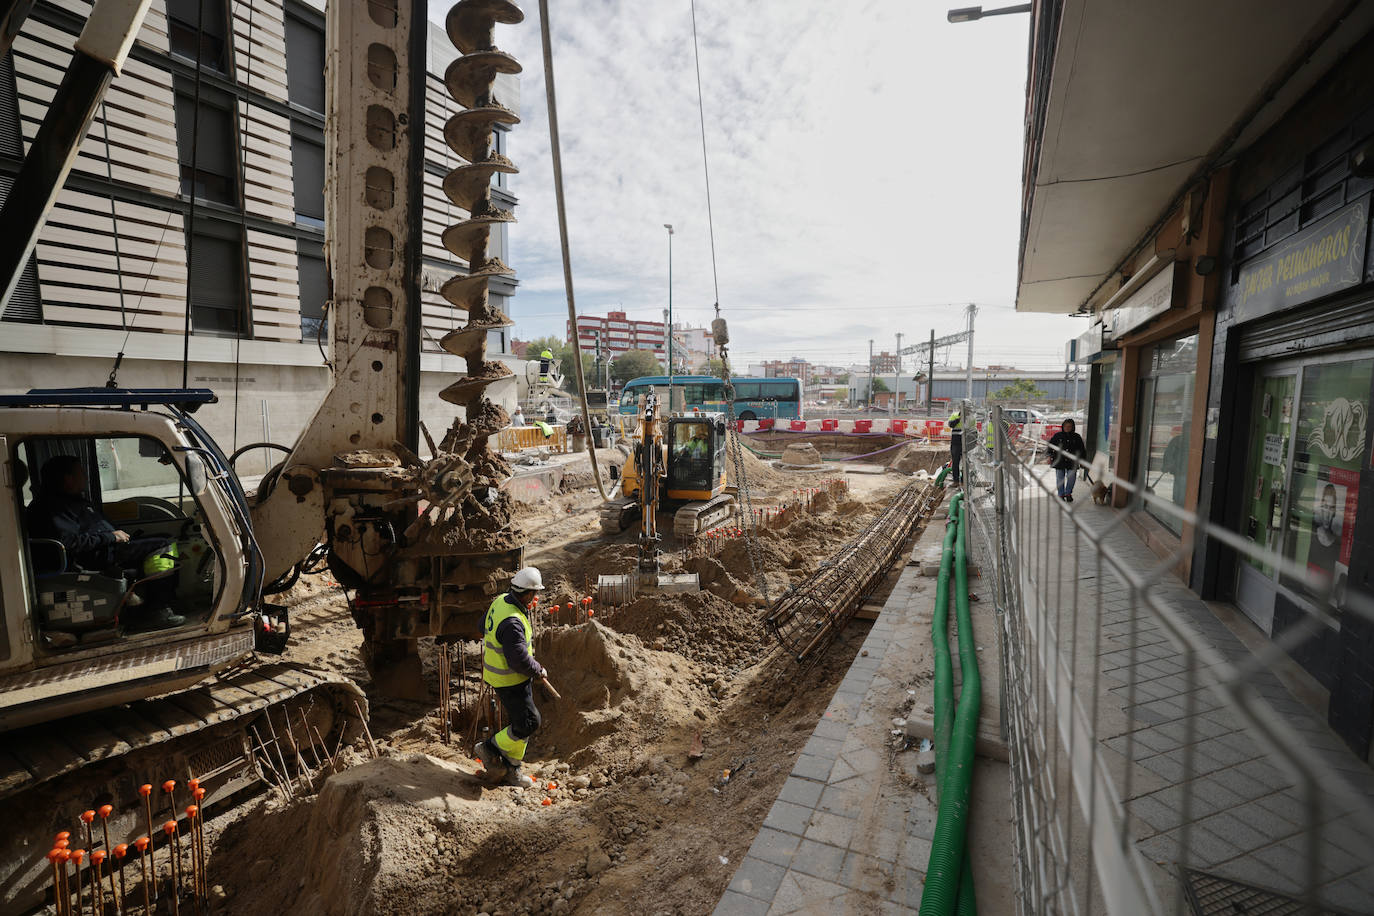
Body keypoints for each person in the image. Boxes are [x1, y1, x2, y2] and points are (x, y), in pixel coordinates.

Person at [26, 455, 185, 628]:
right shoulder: (52, 508)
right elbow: (69, 543)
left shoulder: (72, 500)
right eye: (81, 474)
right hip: (94, 556)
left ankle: (157, 604)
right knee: (163, 546)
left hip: (106, 548)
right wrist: (111, 537)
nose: (86, 478)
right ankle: (157, 610)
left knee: (165, 537)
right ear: (68, 479)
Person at [474, 566, 552, 786]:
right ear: (528, 594)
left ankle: (513, 770)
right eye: (535, 594)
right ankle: (489, 747)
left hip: (501, 675)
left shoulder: (501, 602)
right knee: (529, 722)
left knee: (521, 722)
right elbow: (517, 659)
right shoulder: (513, 622)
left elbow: (481, 625)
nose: (535, 598)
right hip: (510, 679)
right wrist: (538, 669)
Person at [1046, 418, 1087, 502]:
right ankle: (1061, 494)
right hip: (1059, 460)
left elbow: (1082, 450)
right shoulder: (1057, 436)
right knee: (1060, 478)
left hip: (1072, 461)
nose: (1067, 428)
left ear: (1073, 427)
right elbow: (1050, 446)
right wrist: (1049, 456)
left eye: (1069, 426)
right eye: (1065, 426)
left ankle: (1068, 493)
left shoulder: (1077, 437)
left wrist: (1082, 461)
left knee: (1071, 478)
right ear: (1063, 426)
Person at [947, 410, 963, 486]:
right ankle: (956, 481)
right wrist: (958, 419)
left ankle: (964, 481)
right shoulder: (955, 415)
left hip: (966, 444)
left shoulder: (971, 418)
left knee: (966, 464)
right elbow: (950, 424)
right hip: (956, 443)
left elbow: (973, 429)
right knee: (955, 463)